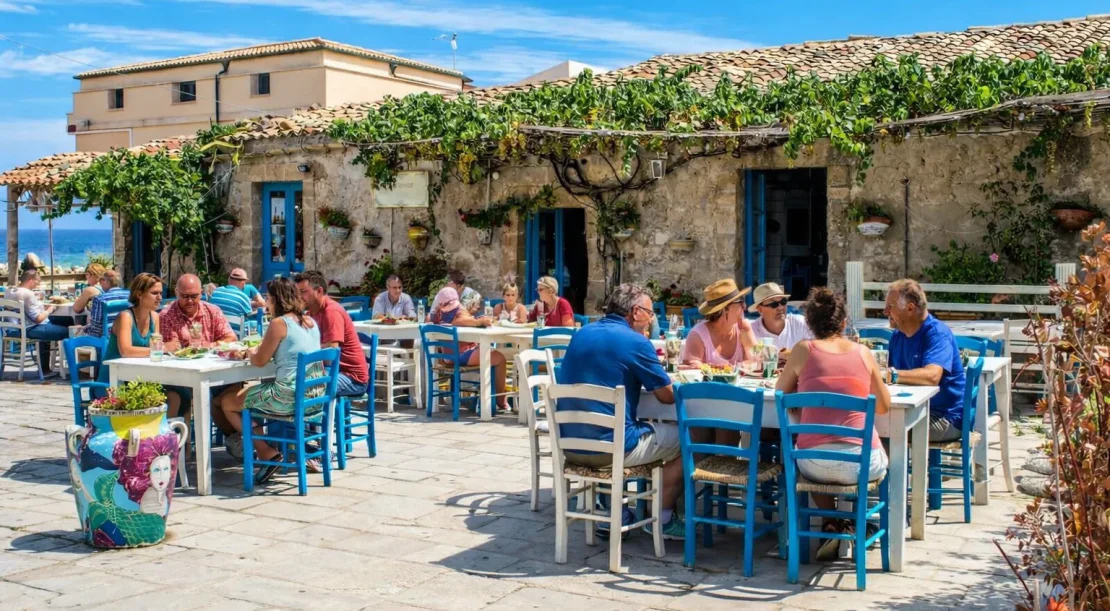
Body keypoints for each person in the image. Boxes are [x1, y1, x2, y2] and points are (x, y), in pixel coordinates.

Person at [557, 283, 689, 539]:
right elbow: (666, 397)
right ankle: (662, 518)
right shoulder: (636, 342)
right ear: (637, 311)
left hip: (571, 446)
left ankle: (615, 511)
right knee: (688, 439)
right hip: (612, 450)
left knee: (622, 424)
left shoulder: (581, 334)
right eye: (650, 313)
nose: (652, 320)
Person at [776, 287, 890, 558]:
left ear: (808, 324)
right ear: (844, 322)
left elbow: (781, 394)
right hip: (861, 464)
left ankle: (832, 522)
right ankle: (860, 522)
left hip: (815, 463)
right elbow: (884, 406)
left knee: (811, 450)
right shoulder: (863, 352)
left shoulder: (802, 351)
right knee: (887, 450)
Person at [214, 278, 323, 484]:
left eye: (267, 297)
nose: (265, 301)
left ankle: (266, 452)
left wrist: (248, 353)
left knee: (227, 402)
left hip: (287, 397)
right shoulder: (310, 322)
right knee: (244, 397)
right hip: (315, 396)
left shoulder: (279, 323)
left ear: (275, 299)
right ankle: (272, 448)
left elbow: (260, 360)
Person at [885, 279, 966, 442]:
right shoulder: (898, 335)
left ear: (910, 308)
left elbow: (932, 376)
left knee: (886, 431)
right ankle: (888, 467)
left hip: (945, 417)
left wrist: (891, 375)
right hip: (913, 410)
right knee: (866, 424)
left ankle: (895, 468)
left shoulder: (937, 333)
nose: (885, 311)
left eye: (890, 306)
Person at [159, 274, 239, 420]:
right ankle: (209, 440)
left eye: (194, 296)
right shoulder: (167, 315)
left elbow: (231, 338)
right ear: (176, 293)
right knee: (206, 396)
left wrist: (208, 346)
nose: (190, 301)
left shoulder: (212, 311)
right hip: (184, 375)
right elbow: (173, 348)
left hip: (215, 370)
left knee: (235, 390)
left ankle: (234, 437)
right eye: (185, 296)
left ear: (201, 293)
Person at [428, 287, 509, 410]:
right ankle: (500, 400)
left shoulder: (439, 314)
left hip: (448, 357)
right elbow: (461, 320)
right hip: (460, 356)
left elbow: (429, 319)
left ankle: (489, 398)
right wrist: (480, 321)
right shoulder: (458, 313)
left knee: (489, 353)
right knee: (499, 358)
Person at [295, 271, 370, 398]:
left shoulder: (331, 311)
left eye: (303, 292)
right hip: (331, 370)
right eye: (297, 292)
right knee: (286, 382)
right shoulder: (310, 313)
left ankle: (317, 418)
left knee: (301, 387)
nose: (299, 296)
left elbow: (331, 352)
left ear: (319, 291)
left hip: (352, 378)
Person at [96, 273, 164, 393]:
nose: (159, 298)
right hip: (113, 381)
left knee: (179, 394)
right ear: (139, 294)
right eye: (154, 293)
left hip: (137, 377)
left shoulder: (155, 317)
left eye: (160, 293)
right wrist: (162, 349)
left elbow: (155, 350)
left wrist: (161, 349)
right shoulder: (126, 317)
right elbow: (126, 351)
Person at [681, 279, 758, 368]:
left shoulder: (743, 328)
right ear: (725, 309)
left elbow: (756, 361)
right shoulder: (698, 335)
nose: (744, 306)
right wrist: (717, 368)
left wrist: (732, 367)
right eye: (741, 301)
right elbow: (690, 367)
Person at [8, 269, 69, 376]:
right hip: (29, 329)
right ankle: (72, 368)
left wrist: (39, 304)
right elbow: (38, 319)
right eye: (37, 282)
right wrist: (50, 309)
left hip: (13, 329)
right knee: (70, 330)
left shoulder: (10, 291)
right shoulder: (28, 294)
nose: (38, 284)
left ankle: (45, 369)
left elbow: (26, 308)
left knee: (56, 323)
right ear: (31, 280)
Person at [749, 282, 813, 355]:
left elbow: (819, 350)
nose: (780, 307)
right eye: (774, 304)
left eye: (783, 302)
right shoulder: (751, 332)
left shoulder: (800, 324)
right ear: (760, 309)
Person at [85, 270, 130, 337]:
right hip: (129, 335)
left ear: (104, 281)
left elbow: (96, 327)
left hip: (109, 338)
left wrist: (85, 329)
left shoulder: (100, 299)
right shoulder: (130, 295)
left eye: (100, 281)